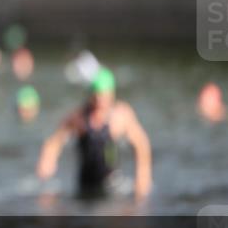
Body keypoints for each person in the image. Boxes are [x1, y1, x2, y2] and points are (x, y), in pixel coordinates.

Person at [35, 67, 152, 201]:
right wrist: (48, 161)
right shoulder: (80, 117)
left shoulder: (120, 116)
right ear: (91, 94)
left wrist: (143, 176)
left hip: (112, 184)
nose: (100, 100)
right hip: (85, 183)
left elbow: (141, 144)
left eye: (103, 95)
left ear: (111, 94)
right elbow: (55, 140)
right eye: (96, 95)